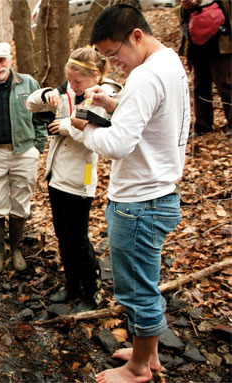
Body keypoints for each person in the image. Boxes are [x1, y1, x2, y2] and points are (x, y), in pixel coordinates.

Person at [75, 5, 190, 383]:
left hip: (139, 201)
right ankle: (150, 352)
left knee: (137, 289)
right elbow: (150, 118)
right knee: (147, 279)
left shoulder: (145, 75)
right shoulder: (170, 63)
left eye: (114, 55)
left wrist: (85, 129)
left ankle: (138, 368)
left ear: (136, 36)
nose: (115, 64)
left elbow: (120, 143)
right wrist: (113, 105)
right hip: (160, 191)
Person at [26, 47, 122, 313]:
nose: (73, 85)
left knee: (78, 238)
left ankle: (93, 291)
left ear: (95, 76)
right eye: (69, 80)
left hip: (83, 175)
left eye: (77, 81)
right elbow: (30, 104)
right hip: (57, 174)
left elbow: (97, 138)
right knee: (62, 235)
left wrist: (67, 126)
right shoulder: (68, 91)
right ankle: (71, 284)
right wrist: (47, 93)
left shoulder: (105, 97)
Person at [0, 42, 47, 273]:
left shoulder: (28, 83)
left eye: (1, 60)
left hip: (24, 151)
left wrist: (38, 146)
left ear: (10, 60)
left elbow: (42, 116)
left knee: (21, 201)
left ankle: (16, 248)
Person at [178, 0, 231, 136]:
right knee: (200, 85)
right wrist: (187, 7)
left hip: (221, 42)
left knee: (225, 83)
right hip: (197, 43)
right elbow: (180, 13)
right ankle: (203, 125)